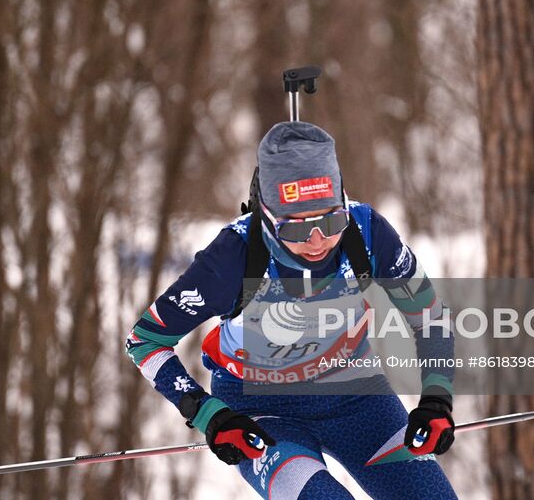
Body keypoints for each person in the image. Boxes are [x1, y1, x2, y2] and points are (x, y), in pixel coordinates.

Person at [125, 121, 460, 499]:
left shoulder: (367, 231)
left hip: (358, 397)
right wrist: (208, 414)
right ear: (267, 217)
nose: (318, 241)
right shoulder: (232, 257)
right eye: (297, 229)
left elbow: (430, 315)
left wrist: (437, 399)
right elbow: (145, 341)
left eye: (331, 221)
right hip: (261, 410)